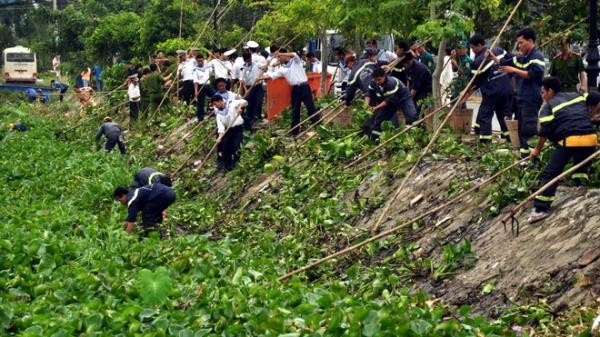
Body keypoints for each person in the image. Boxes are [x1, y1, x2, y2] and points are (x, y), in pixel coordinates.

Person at [528, 77, 598, 223]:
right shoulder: (578, 95)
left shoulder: (548, 107)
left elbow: (544, 132)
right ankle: (580, 185)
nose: (542, 96)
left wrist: (536, 150)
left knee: (550, 173)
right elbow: (597, 98)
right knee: (581, 161)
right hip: (591, 140)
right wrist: (592, 116)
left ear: (550, 91)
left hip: (571, 141)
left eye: (543, 92)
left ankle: (540, 209)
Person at [493, 27, 545, 157]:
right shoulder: (523, 57)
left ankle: (533, 158)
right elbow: (507, 62)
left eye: (521, 42)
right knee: (521, 129)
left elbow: (535, 75)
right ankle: (524, 157)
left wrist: (514, 71)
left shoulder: (537, 56)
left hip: (531, 98)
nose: (519, 46)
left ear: (530, 41)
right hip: (521, 98)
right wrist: (493, 57)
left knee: (529, 129)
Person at [259, 49, 319, 136]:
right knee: (295, 110)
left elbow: (294, 53)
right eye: (278, 57)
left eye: (280, 57)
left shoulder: (296, 61)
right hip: (295, 89)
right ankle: (294, 131)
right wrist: (259, 78)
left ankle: (317, 127)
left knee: (311, 108)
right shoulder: (282, 69)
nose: (279, 59)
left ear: (285, 56)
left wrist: (280, 53)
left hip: (305, 87)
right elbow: (270, 76)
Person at [468, 34, 512, 142]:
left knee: (485, 115)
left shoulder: (478, 61)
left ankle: (485, 141)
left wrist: (466, 92)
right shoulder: (500, 51)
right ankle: (509, 139)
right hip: (507, 89)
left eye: (473, 48)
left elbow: (474, 83)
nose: (473, 51)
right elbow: (512, 61)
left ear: (479, 45)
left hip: (492, 92)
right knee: (504, 116)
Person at [364, 67, 417, 139]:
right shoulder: (373, 82)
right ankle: (375, 140)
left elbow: (388, 100)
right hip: (390, 102)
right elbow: (369, 93)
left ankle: (413, 136)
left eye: (379, 80)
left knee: (412, 116)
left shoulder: (391, 83)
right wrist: (366, 105)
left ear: (384, 76)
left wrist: (375, 108)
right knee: (379, 120)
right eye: (375, 80)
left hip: (403, 98)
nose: (377, 82)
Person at [211, 95, 248, 171]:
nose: (215, 106)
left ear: (220, 101)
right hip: (228, 130)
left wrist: (239, 107)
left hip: (238, 128)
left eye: (215, 104)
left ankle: (237, 164)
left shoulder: (231, 103)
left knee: (236, 146)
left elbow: (245, 102)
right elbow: (221, 128)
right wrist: (219, 138)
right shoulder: (219, 114)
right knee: (225, 148)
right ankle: (227, 167)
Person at [239, 52, 265, 130]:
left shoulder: (256, 64)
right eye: (247, 60)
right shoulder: (243, 67)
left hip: (257, 86)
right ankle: (249, 122)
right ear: (244, 60)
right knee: (250, 104)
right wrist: (246, 90)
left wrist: (265, 67)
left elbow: (263, 68)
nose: (249, 61)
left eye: (250, 59)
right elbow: (242, 80)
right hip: (248, 87)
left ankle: (256, 117)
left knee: (258, 101)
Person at [193, 53, 215, 122]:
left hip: (207, 85)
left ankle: (213, 110)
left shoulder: (207, 67)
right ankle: (200, 118)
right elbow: (195, 81)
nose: (200, 62)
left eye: (201, 61)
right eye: (198, 61)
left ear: (203, 60)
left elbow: (211, 73)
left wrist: (211, 74)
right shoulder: (195, 69)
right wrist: (196, 91)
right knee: (200, 103)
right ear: (196, 61)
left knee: (215, 96)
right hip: (200, 86)